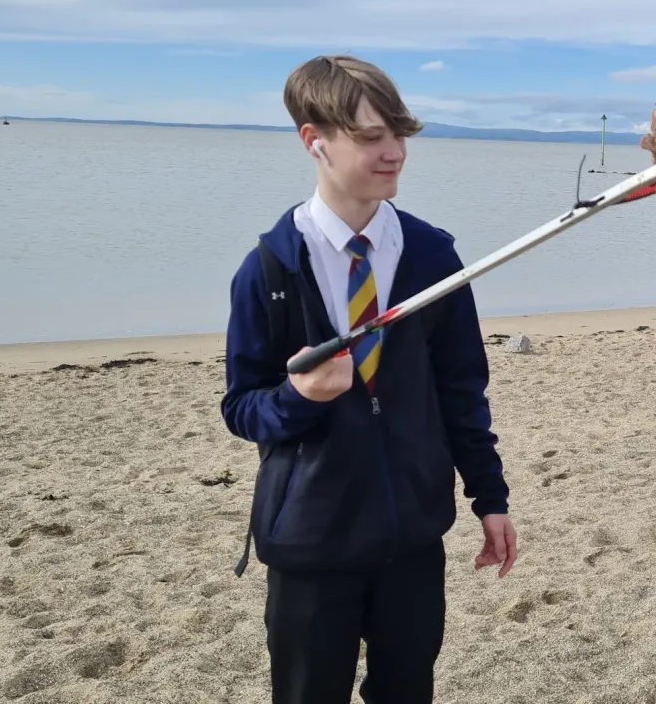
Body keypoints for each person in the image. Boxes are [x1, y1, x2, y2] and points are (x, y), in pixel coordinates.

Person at [220, 54, 517, 703]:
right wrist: (298, 399)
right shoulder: (269, 272)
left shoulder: (433, 258)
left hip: (410, 541)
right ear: (314, 141)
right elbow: (242, 407)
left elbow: (462, 391)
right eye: (370, 137)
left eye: (399, 134)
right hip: (309, 545)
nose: (393, 153)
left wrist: (489, 499)